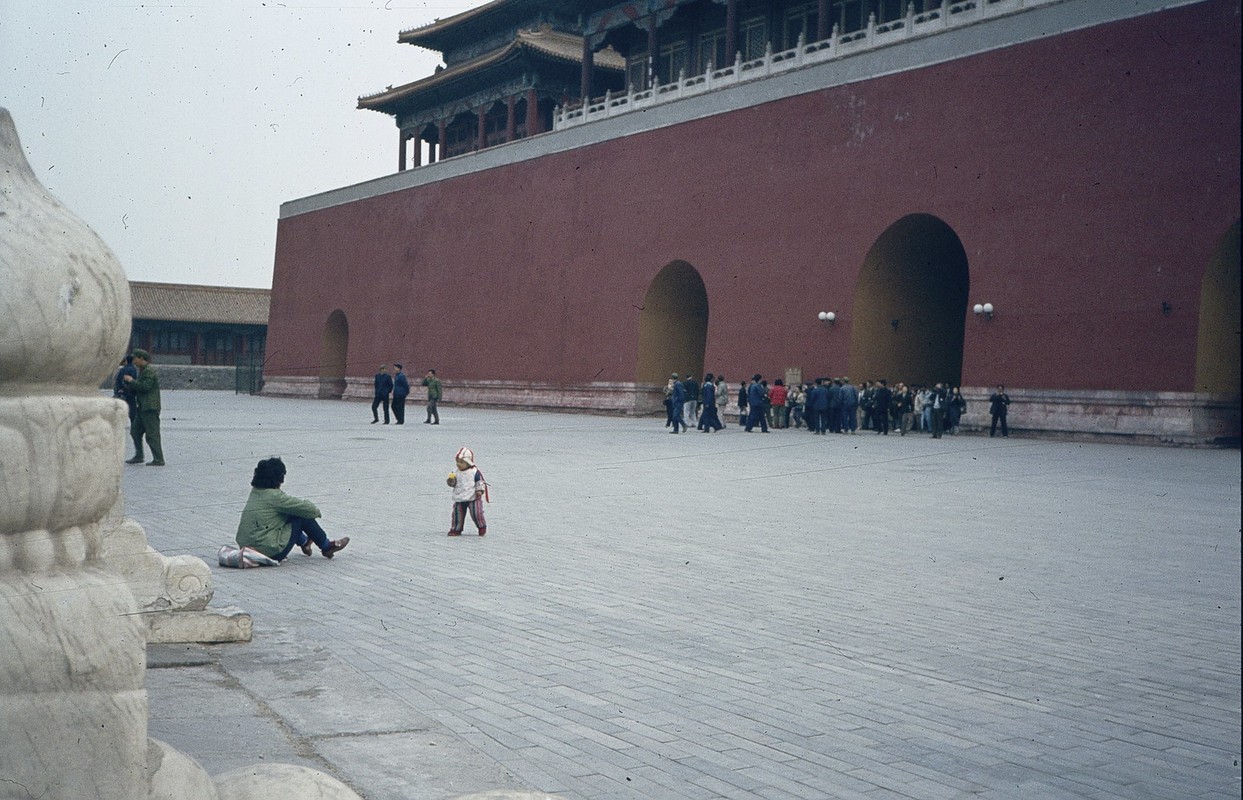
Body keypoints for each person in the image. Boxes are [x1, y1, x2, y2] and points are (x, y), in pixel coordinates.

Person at [236, 457, 349, 560]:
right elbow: (309, 509)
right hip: (268, 552)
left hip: (247, 548)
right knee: (301, 516)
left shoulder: (255, 492)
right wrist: (317, 513)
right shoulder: (275, 497)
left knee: (284, 515)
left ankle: (305, 543)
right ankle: (326, 546)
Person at [122, 349, 165, 466]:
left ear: (141, 358)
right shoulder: (142, 371)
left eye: (135, 358)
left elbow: (145, 387)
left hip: (150, 408)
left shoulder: (149, 372)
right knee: (135, 431)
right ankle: (139, 456)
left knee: (152, 434)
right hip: (142, 407)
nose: (134, 360)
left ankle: (158, 459)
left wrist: (132, 381)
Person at [446, 447, 487, 536]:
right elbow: (453, 484)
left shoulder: (474, 472)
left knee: (476, 513)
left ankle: (481, 526)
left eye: (461, 462)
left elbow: (479, 481)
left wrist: (479, 490)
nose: (458, 464)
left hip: (473, 497)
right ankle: (456, 529)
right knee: (457, 514)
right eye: (457, 462)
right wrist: (451, 481)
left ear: (468, 463)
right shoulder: (455, 472)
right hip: (460, 496)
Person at [114, 355, 139, 426]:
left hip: (121, 393)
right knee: (132, 411)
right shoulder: (133, 369)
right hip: (130, 393)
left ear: (126, 361)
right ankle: (133, 425)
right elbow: (133, 381)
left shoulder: (122, 369)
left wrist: (118, 390)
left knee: (120, 410)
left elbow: (118, 381)